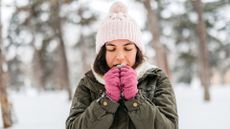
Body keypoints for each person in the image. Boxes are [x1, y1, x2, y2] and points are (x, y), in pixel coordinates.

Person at [66, 2, 178, 129]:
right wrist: (106, 101)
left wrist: (135, 99)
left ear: (137, 51)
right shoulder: (88, 82)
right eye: (112, 49)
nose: (119, 56)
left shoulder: (155, 78)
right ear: (103, 53)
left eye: (128, 49)